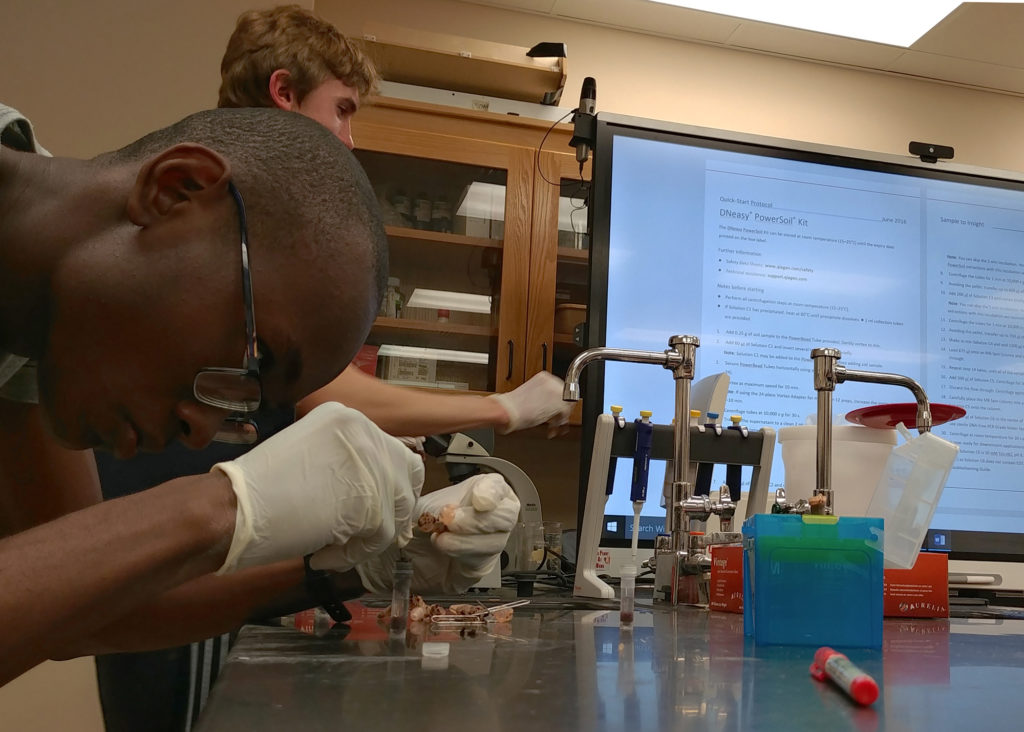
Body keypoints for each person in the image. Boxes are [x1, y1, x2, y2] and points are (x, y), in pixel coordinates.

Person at [91, 7, 569, 729]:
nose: (350, 138)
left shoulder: (248, 213)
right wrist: (502, 407)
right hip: (165, 555)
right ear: (283, 92)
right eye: (342, 110)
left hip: (199, 554)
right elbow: (322, 391)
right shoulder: (218, 209)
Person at [0, 102, 519, 692]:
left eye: (248, 398)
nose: (201, 429)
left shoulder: (24, 342)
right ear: (175, 190)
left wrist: (355, 569)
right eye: (254, 357)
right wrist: (218, 508)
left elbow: (79, 608)